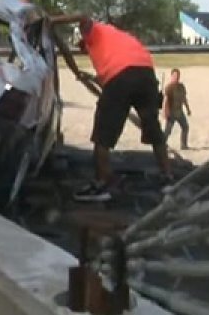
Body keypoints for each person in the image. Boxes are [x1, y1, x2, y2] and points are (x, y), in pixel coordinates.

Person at [50, 14, 173, 202]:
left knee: (102, 135)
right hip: (146, 74)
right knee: (153, 127)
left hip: (122, 77)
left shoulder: (94, 31)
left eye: (82, 47)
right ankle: (167, 178)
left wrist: (51, 21)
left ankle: (102, 184)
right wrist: (85, 77)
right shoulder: (117, 37)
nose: (83, 51)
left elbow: (83, 15)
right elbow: (111, 83)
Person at [162, 68, 192, 150]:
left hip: (179, 112)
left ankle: (183, 145)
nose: (176, 77)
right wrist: (164, 112)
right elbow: (165, 101)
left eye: (178, 76)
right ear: (171, 76)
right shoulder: (169, 87)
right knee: (167, 131)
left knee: (185, 127)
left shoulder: (181, 87)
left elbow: (184, 98)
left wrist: (188, 109)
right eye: (175, 76)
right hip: (171, 113)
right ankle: (161, 145)